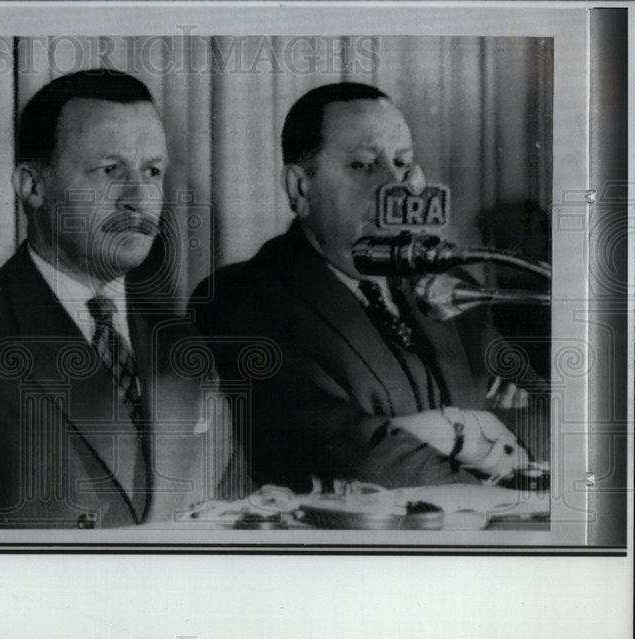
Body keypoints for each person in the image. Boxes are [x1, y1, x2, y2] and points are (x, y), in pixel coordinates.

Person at [0, 69, 247, 528]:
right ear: (33, 185)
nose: (139, 197)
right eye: (110, 171)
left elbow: (235, 526)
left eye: (152, 171)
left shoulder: (184, 348)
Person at [191, 82, 545, 490]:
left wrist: (408, 434)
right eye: (363, 165)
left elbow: (544, 417)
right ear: (300, 188)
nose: (396, 187)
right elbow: (356, 461)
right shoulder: (240, 296)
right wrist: (463, 429)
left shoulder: (450, 286)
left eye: (402, 163)